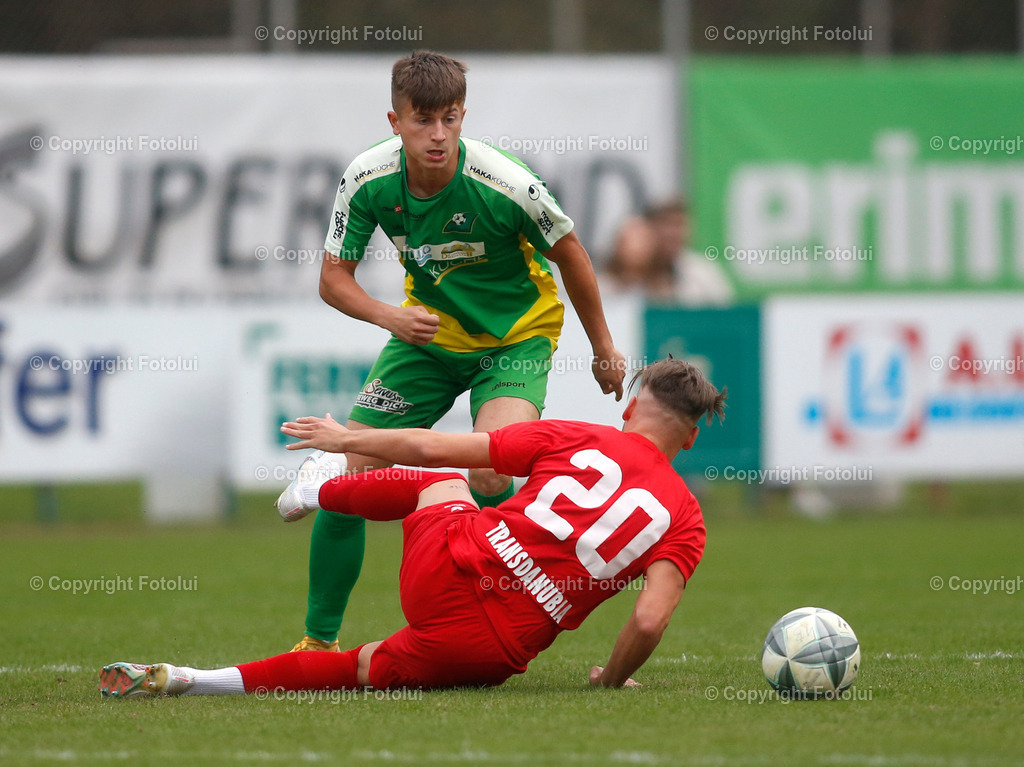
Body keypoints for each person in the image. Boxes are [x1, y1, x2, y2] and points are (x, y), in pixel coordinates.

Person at [98, 359, 725, 697]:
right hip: (491, 651)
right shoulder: (686, 519)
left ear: (630, 407)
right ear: (692, 437)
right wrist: (611, 680)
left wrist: (349, 439)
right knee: (359, 670)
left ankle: (323, 487)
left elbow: (431, 450)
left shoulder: (578, 436)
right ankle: (191, 681)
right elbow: (647, 620)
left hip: (450, 567)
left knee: (446, 481)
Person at [284, 50, 626, 652]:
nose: (437, 135)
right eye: (422, 121)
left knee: (493, 474)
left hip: (514, 339)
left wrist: (602, 346)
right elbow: (332, 278)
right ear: (395, 121)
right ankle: (318, 643)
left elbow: (570, 251)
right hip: (429, 339)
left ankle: (504, 612)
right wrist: (391, 316)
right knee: (347, 478)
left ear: (463, 115)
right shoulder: (367, 179)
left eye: (449, 119)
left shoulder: (506, 182)